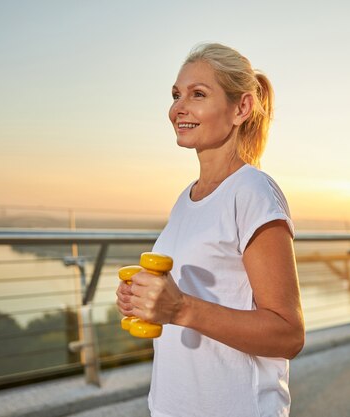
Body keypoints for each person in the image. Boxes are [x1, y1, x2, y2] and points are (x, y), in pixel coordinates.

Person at [116, 42, 304, 417]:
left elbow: (288, 334)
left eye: (197, 94)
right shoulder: (185, 200)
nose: (177, 108)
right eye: (175, 95)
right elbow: (192, 296)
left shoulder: (252, 191)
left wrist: (181, 307)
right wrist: (144, 298)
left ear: (242, 108)